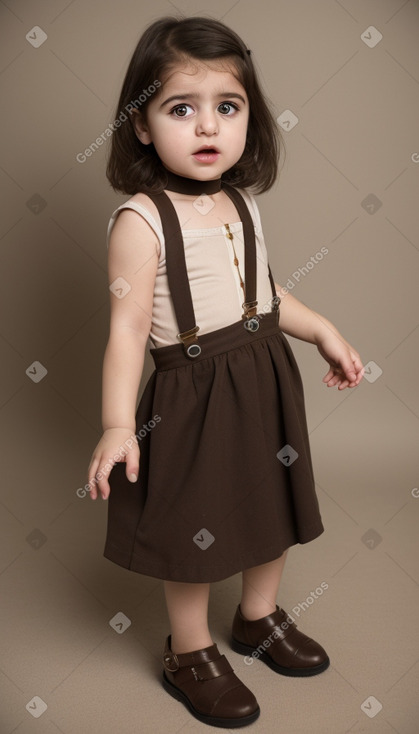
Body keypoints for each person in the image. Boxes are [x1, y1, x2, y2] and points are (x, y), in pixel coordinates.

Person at [87, 15, 364, 728]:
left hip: (263, 373)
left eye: (227, 107)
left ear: (248, 119)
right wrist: (119, 424)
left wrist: (321, 330)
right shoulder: (140, 221)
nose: (207, 126)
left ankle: (257, 617)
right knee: (194, 524)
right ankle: (189, 650)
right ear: (142, 125)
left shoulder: (241, 202)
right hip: (190, 391)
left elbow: (264, 297)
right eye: (181, 108)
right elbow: (123, 332)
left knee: (267, 503)